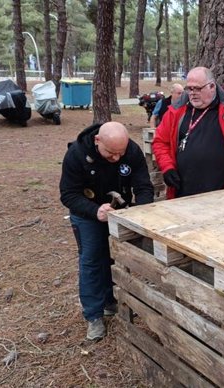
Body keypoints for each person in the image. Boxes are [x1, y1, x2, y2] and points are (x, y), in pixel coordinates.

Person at [60, 122, 154, 341]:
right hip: (88, 216)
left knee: (116, 259)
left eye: (120, 153)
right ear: (97, 141)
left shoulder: (131, 151)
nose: (116, 159)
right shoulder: (76, 155)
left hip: (121, 213)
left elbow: (143, 186)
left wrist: (141, 210)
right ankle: (93, 315)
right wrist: (94, 211)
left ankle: (112, 301)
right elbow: (68, 195)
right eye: (111, 153)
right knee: (92, 261)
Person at [151, 66, 224, 199]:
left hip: (221, 192)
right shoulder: (176, 111)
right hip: (182, 192)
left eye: (198, 88)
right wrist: (167, 167)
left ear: (212, 86)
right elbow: (160, 141)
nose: (192, 93)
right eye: (189, 88)